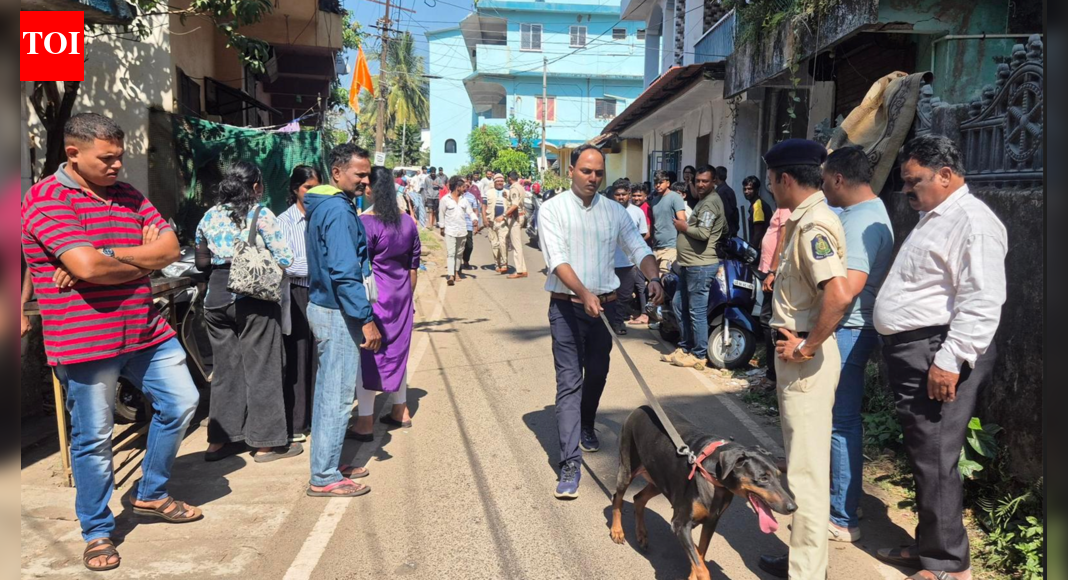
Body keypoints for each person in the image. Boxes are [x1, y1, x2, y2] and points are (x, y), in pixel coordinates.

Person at [21, 113, 202, 571]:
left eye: (120, 156)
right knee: (93, 439)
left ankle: (150, 492)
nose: (117, 166)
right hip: (86, 340)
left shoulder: (128, 195)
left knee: (182, 402)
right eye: (107, 158)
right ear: (73, 154)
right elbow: (88, 268)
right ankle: (98, 530)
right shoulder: (46, 200)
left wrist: (113, 256)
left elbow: (169, 249)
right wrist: (138, 262)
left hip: (143, 329)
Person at [872, 136, 1007, 580]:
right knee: (923, 454)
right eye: (905, 183)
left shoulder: (972, 221)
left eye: (914, 182)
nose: (907, 191)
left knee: (935, 457)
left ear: (945, 176)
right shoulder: (936, 216)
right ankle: (932, 546)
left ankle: (949, 565)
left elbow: (982, 300)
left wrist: (950, 361)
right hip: (917, 350)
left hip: (938, 350)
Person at [537, 144, 664, 499]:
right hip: (567, 308)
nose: (592, 178)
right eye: (585, 171)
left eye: (598, 173)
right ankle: (569, 462)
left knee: (597, 373)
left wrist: (653, 277)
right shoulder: (552, 210)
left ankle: (587, 423)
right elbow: (557, 260)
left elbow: (638, 247)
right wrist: (583, 292)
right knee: (568, 383)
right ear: (571, 171)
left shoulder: (615, 211)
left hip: (604, 309)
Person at [757, 139, 852, 580]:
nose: (771, 188)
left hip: (805, 361)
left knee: (808, 473)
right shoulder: (805, 218)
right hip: (797, 357)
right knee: (800, 464)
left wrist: (807, 345)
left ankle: (808, 573)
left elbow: (838, 292)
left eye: (773, 181)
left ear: (785, 179)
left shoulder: (814, 225)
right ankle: (802, 558)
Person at [195, 162, 300, 464]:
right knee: (263, 369)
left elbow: (202, 261)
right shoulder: (260, 214)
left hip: (215, 298)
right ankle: (265, 444)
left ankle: (219, 441)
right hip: (252, 297)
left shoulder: (209, 215)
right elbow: (285, 258)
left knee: (225, 371)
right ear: (255, 186)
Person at [818, 146, 895, 543]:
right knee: (841, 421)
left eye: (824, 179)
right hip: (853, 328)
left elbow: (846, 290)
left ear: (838, 179)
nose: (823, 187)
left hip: (848, 329)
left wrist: (813, 339)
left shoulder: (861, 220)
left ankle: (843, 516)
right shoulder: (870, 212)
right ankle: (844, 499)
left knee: (840, 423)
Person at [303, 143, 382, 498]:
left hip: (327, 306)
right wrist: (365, 318)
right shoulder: (336, 210)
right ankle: (324, 476)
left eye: (367, 174)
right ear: (337, 173)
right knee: (335, 396)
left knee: (329, 393)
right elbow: (344, 271)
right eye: (359, 174)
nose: (366, 181)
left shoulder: (327, 205)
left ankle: (328, 462)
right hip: (337, 311)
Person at [345, 167, 422, 442]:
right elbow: (413, 267)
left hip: (375, 298)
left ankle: (365, 421)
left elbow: (359, 267)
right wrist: (406, 297)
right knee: (398, 353)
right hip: (402, 295)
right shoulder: (408, 222)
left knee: (369, 356)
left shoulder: (364, 222)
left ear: (369, 189)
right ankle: (401, 410)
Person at [661, 166, 727, 370]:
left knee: (696, 311)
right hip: (690, 264)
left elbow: (703, 233)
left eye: (705, 181)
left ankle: (698, 354)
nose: (700, 184)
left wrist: (683, 227)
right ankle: (686, 347)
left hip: (700, 265)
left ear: (714, 181)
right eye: (697, 180)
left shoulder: (709, 204)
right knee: (680, 304)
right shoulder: (703, 202)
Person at [277, 165, 323, 445]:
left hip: (321, 293)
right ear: (295, 189)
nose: (312, 193)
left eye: (317, 187)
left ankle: (318, 419)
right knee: (297, 355)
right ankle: (296, 422)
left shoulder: (323, 216)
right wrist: (320, 267)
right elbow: (288, 264)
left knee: (320, 357)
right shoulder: (282, 222)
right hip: (295, 295)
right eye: (307, 187)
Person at [757, 202, 793, 391]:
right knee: (767, 321)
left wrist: (773, 270)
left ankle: (774, 376)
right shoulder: (781, 205)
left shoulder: (788, 206)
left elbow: (784, 237)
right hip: (770, 271)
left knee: (771, 322)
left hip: (775, 274)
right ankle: (772, 373)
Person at [608, 180, 649, 334]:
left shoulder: (637, 212)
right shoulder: (607, 211)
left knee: (624, 296)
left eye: (624, 194)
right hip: (609, 262)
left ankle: (618, 323)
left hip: (628, 263)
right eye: (617, 194)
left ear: (629, 195)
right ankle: (610, 323)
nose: (620, 197)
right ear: (613, 196)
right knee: (608, 295)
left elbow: (643, 234)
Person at [439, 175, 478, 286]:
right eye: (463, 187)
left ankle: (457, 272)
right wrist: (442, 227)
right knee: (451, 253)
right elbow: (441, 214)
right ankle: (451, 275)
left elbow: (470, 212)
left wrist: (474, 220)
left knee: (459, 254)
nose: (464, 189)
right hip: (450, 231)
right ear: (457, 187)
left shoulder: (464, 200)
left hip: (462, 230)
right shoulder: (445, 200)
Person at [650, 170, 687, 274]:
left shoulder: (675, 197)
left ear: (668, 183)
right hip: (656, 247)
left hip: (671, 246)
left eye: (660, 182)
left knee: (664, 277)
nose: (658, 185)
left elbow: (682, 221)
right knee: (654, 280)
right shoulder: (654, 201)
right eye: (656, 183)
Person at [504, 171, 529, 279]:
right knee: (517, 243)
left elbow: (515, 205)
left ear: (509, 178)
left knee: (516, 245)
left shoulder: (514, 188)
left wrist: (504, 215)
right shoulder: (520, 187)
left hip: (516, 217)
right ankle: (522, 269)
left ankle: (519, 271)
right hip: (521, 215)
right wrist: (507, 196)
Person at [484, 174, 510, 273]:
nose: (500, 183)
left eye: (501, 181)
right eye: (498, 181)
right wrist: (484, 219)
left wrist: (504, 216)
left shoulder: (507, 192)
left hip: (504, 222)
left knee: (503, 243)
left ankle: (504, 263)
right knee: (494, 244)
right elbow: (483, 205)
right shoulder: (489, 193)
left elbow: (512, 206)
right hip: (491, 221)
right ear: (494, 182)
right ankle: (497, 263)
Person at [743, 176, 770, 252]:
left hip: (761, 249)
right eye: (745, 189)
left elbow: (758, 233)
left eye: (749, 189)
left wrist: (751, 252)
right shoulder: (757, 204)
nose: (746, 192)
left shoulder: (757, 206)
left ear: (756, 190)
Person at [713, 166, 741, 238]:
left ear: (716, 176)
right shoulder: (725, 190)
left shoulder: (722, 192)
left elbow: (726, 212)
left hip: (726, 231)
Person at [463, 176, 483, 270]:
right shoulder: (455, 196)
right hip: (458, 225)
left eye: (467, 182)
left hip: (468, 224)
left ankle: (466, 259)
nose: (465, 184)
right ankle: (457, 265)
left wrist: (476, 225)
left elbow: (475, 211)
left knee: (469, 246)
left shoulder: (471, 197)